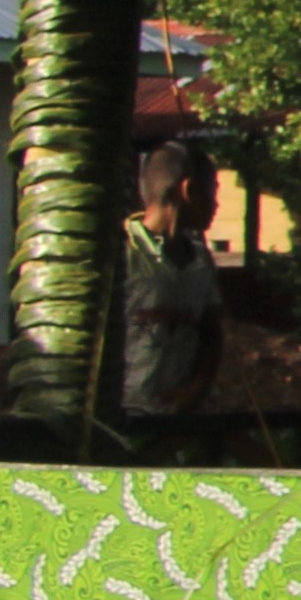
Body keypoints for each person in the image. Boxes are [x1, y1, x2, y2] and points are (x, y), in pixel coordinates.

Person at [116, 141, 227, 420]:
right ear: (188, 190)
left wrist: (193, 390)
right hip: (122, 414)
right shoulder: (123, 251)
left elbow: (212, 335)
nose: (216, 205)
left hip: (177, 416)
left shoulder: (201, 261)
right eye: (212, 192)